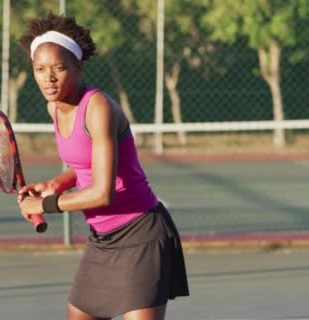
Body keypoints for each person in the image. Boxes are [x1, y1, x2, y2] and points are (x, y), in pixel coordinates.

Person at [17, 12, 189, 320]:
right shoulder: (53, 108)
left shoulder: (98, 108)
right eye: (40, 69)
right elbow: (86, 164)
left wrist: (46, 203)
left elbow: (102, 193)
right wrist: (58, 182)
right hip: (102, 240)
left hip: (141, 235)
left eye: (59, 68)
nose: (49, 77)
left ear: (78, 67)